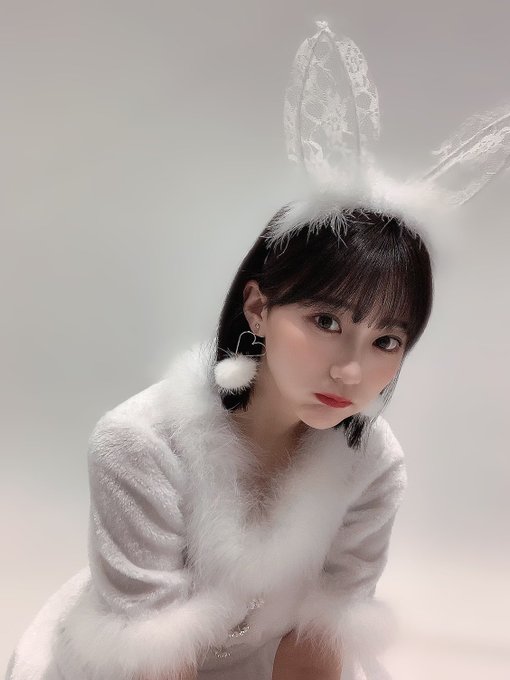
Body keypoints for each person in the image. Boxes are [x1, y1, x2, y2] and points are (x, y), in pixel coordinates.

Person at [6, 19, 509, 680]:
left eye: (386, 340)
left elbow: (320, 635)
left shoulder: (372, 462)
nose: (352, 369)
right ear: (258, 308)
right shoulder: (139, 444)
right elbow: (153, 657)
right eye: (326, 320)